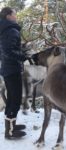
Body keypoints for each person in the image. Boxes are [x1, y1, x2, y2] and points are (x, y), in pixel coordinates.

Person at [0, 7, 28, 139]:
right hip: (12, 70)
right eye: (14, 14)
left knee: (12, 99)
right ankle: (10, 132)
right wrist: (23, 56)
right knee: (15, 100)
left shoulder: (4, 30)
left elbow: (4, 52)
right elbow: (8, 51)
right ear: (8, 16)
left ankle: (11, 126)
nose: (16, 16)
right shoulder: (11, 30)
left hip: (7, 69)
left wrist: (19, 51)